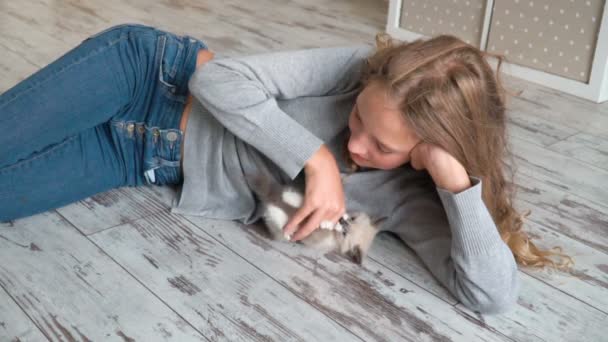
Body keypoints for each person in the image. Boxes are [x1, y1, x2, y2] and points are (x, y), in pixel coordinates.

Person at [0, 23, 572, 314]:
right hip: (146, 75)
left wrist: (453, 178)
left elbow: (492, 297)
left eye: (384, 146)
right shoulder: (355, 67)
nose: (358, 143)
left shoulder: (414, 197)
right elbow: (217, 79)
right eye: (357, 120)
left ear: (428, 152)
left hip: (136, 157)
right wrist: (316, 158)